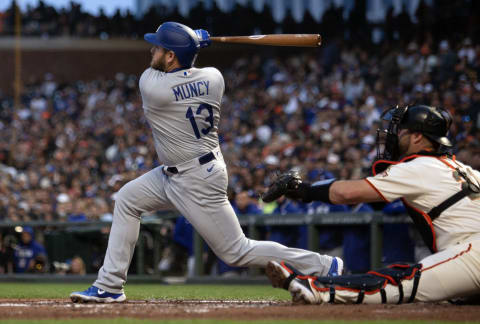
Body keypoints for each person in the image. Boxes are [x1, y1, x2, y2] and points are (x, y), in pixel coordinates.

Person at [70, 21, 341, 303]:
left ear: (171, 56)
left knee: (237, 251)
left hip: (197, 178)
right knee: (127, 198)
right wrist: (193, 44)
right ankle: (110, 285)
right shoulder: (214, 78)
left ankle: (324, 266)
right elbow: (190, 69)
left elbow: (162, 72)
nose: (153, 50)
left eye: (159, 48)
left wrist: (192, 41)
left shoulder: (153, 87)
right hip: (176, 173)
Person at [265, 105, 480, 304]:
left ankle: (317, 288)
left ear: (417, 137)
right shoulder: (461, 168)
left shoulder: (419, 166)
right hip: (469, 251)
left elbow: (346, 194)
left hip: (472, 252)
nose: (394, 137)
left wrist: (305, 190)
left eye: (401, 131)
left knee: (405, 281)